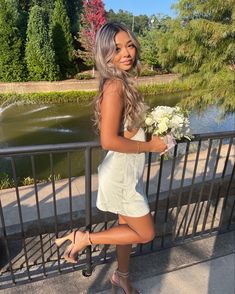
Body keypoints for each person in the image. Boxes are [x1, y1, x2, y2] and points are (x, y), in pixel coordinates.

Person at [55, 22, 167, 294]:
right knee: (146, 233)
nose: (126, 53)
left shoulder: (122, 81)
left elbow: (128, 130)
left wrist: (158, 134)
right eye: (117, 48)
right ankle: (85, 238)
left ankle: (122, 277)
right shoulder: (115, 85)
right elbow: (108, 141)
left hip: (128, 171)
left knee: (126, 230)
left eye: (129, 45)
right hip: (121, 174)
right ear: (105, 53)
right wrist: (151, 146)